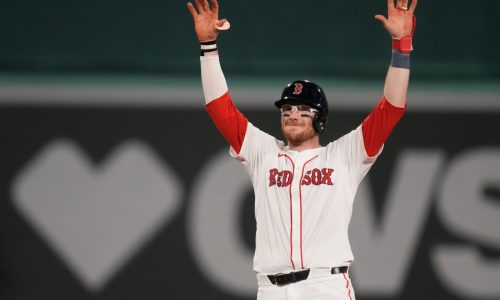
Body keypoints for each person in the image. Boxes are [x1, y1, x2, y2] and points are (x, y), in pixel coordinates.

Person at [187, 0, 418, 299]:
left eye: (303, 109)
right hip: (270, 289)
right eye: (288, 108)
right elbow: (220, 108)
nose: (293, 113)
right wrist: (208, 47)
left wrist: (402, 44)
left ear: (320, 119)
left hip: (325, 286)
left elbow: (392, 109)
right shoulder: (263, 153)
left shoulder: (344, 155)